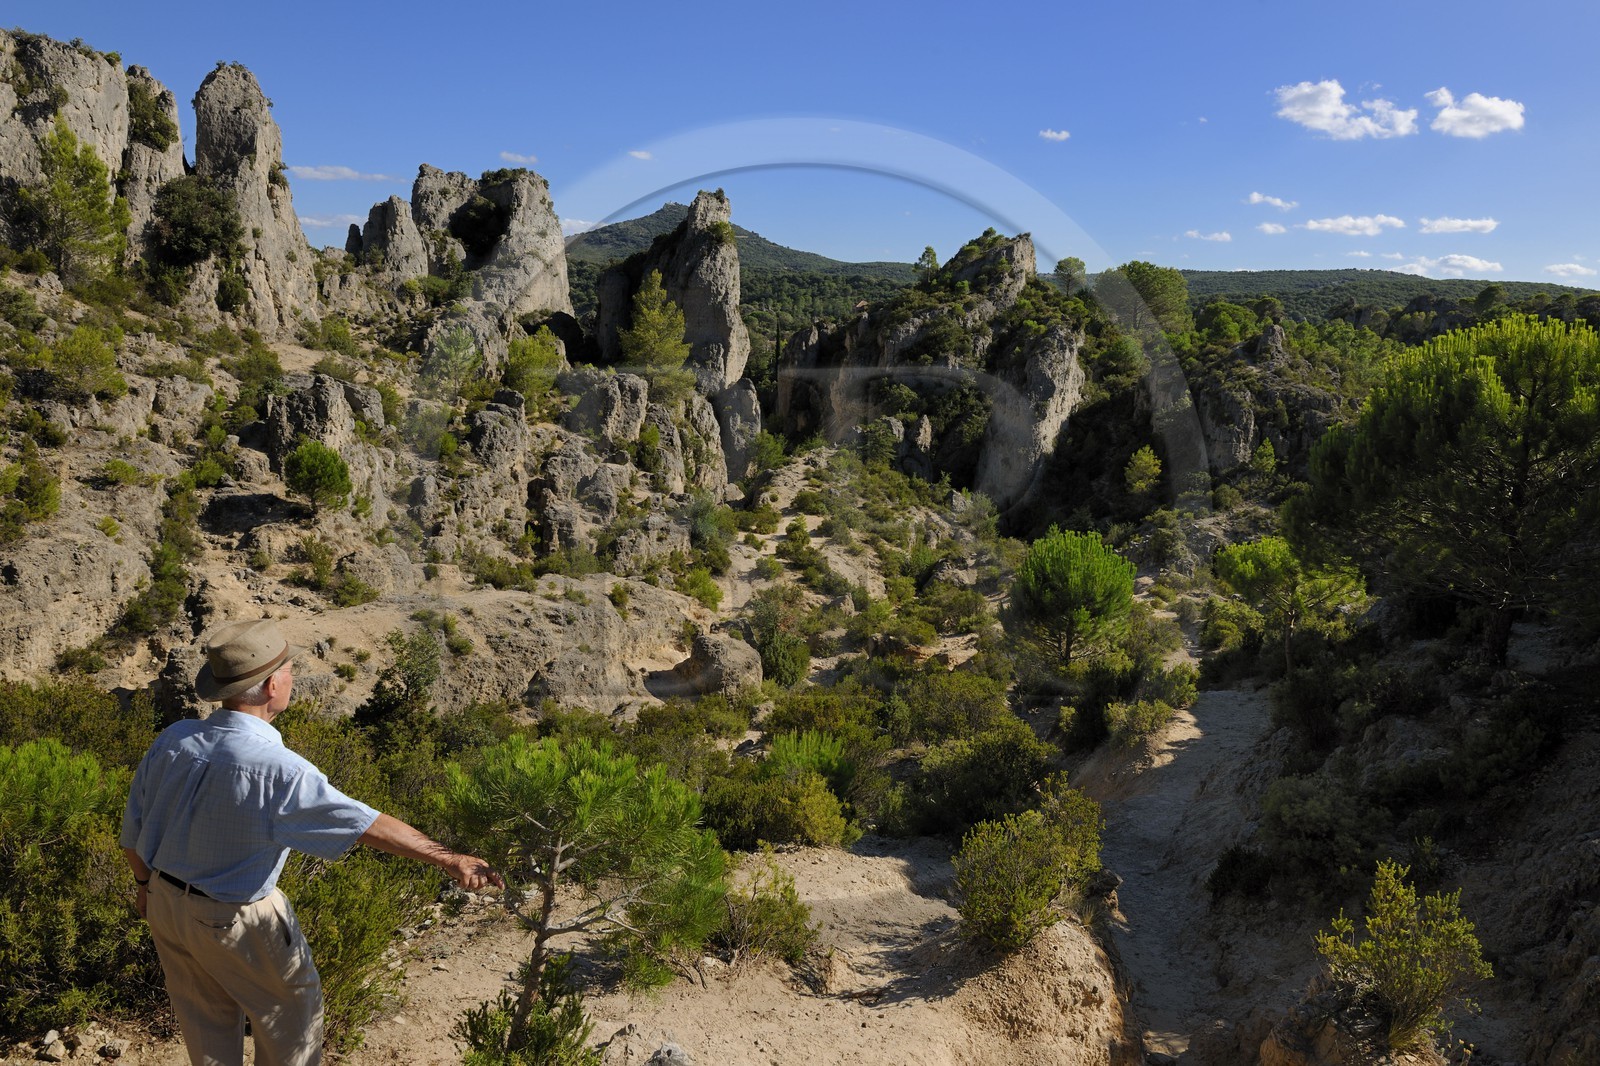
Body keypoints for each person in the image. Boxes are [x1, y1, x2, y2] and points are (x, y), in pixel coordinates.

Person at [120, 618, 503, 1066]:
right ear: (269, 685)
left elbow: (133, 829)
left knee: (204, 1019)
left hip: (164, 902)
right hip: (234, 915)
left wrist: (146, 887)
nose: (292, 677)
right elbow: (366, 825)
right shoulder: (279, 770)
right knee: (291, 1017)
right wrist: (449, 858)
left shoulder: (175, 738)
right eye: (288, 669)